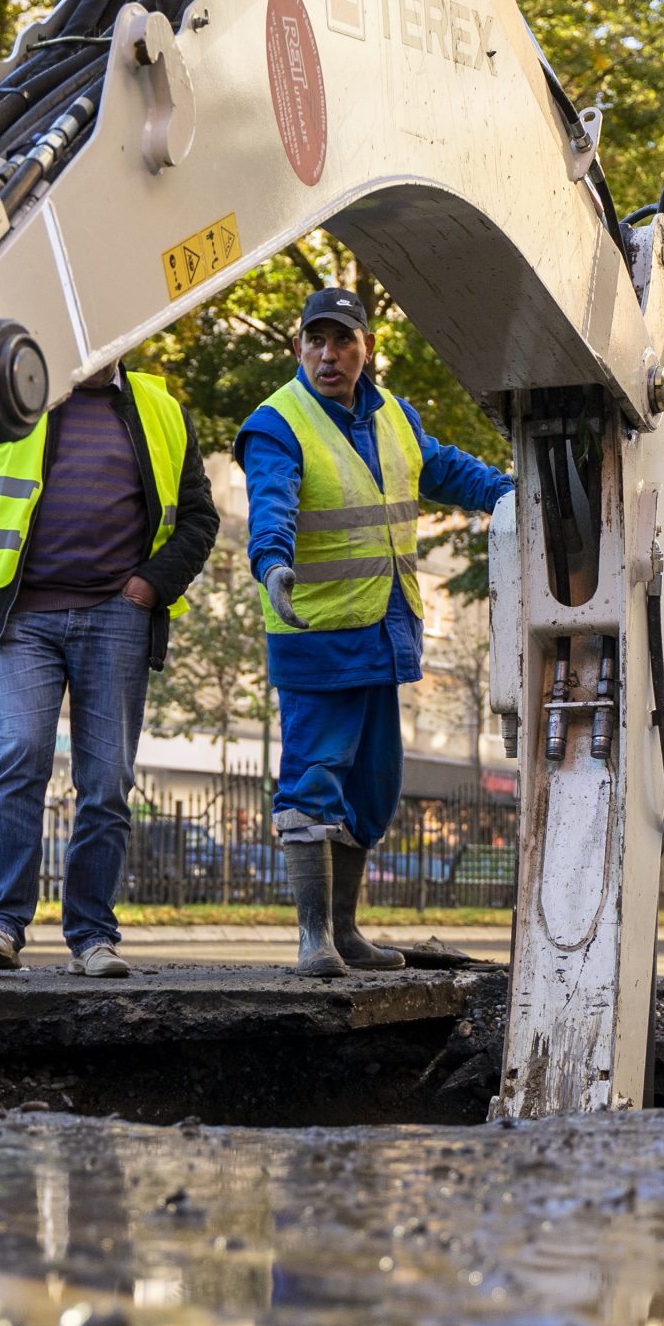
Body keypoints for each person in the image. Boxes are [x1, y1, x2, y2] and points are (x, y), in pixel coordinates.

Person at [235, 288, 514, 977]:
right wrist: (271, 565)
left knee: (373, 785)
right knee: (314, 779)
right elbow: (271, 505)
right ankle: (312, 938)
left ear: (366, 346)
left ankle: (346, 930)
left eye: (342, 341)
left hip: (383, 631)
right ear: (299, 346)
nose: (328, 355)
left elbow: (442, 467)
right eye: (315, 341)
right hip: (319, 633)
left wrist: (508, 490)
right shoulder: (278, 423)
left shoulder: (393, 415)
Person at [0, 361, 219, 976]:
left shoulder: (162, 409)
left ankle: (93, 937)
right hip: (23, 615)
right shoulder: (13, 397)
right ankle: (1, 926)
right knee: (20, 758)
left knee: (107, 780)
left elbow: (200, 518)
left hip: (116, 616)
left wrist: (151, 584)